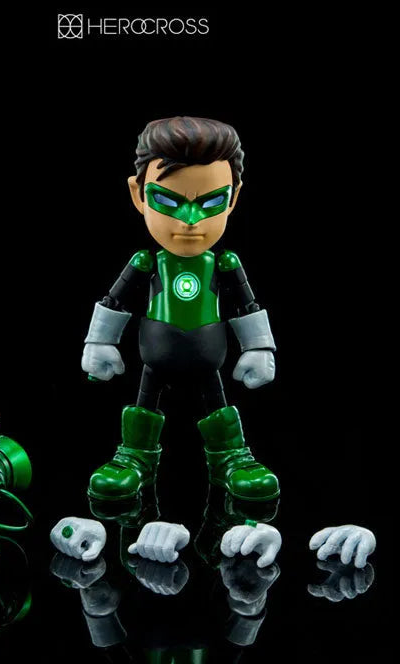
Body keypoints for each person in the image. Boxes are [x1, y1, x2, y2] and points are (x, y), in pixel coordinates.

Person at [82, 116, 278, 502]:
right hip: (156, 355)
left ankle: (231, 457)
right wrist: (100, 341)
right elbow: (114, 299)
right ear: (139, 195)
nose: (190, 221)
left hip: (208, 357)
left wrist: (258, 347)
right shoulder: (146, 262)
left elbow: (247, 305)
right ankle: (134, 456)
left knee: (217, 399)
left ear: (233, 198)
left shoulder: (224, 264)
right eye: (168, 201)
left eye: (211, 202)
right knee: (145, 398)